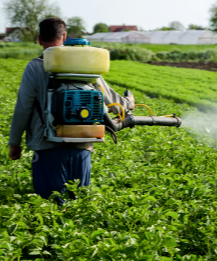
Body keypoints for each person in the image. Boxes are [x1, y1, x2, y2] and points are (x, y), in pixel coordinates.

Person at [9, 17, 134, 203]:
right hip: (82, 144)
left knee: (51, 206)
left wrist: (15, 143)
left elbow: (23, 109)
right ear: (65, 36)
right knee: (79, 205)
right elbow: (109, 99)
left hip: (47, 146)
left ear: (39, 39)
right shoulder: (84, 64)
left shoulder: (35, 67)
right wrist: (128, 102)